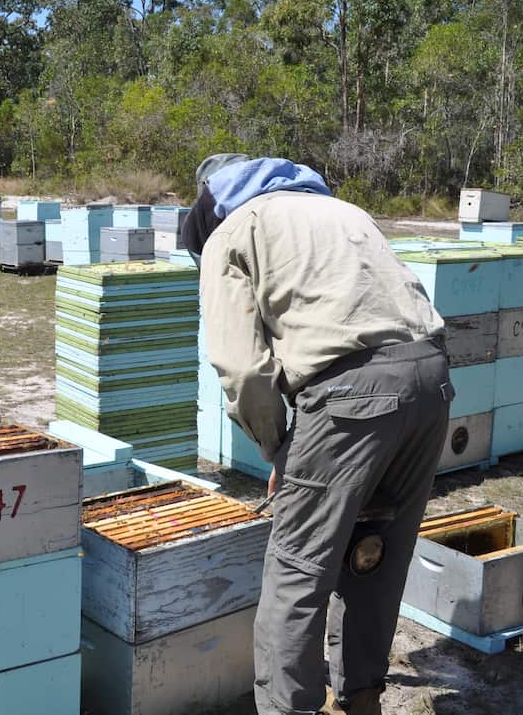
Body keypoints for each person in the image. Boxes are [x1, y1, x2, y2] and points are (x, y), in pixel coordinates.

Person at [179, 154, 452, 715]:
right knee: (372, 556)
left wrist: (278, 445)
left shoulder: (232, 231)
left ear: (208, 208)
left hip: (351, 398)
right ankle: (362, 701)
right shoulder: (344, 212)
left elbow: (242, 369)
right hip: (431, 381)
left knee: (295, 574)